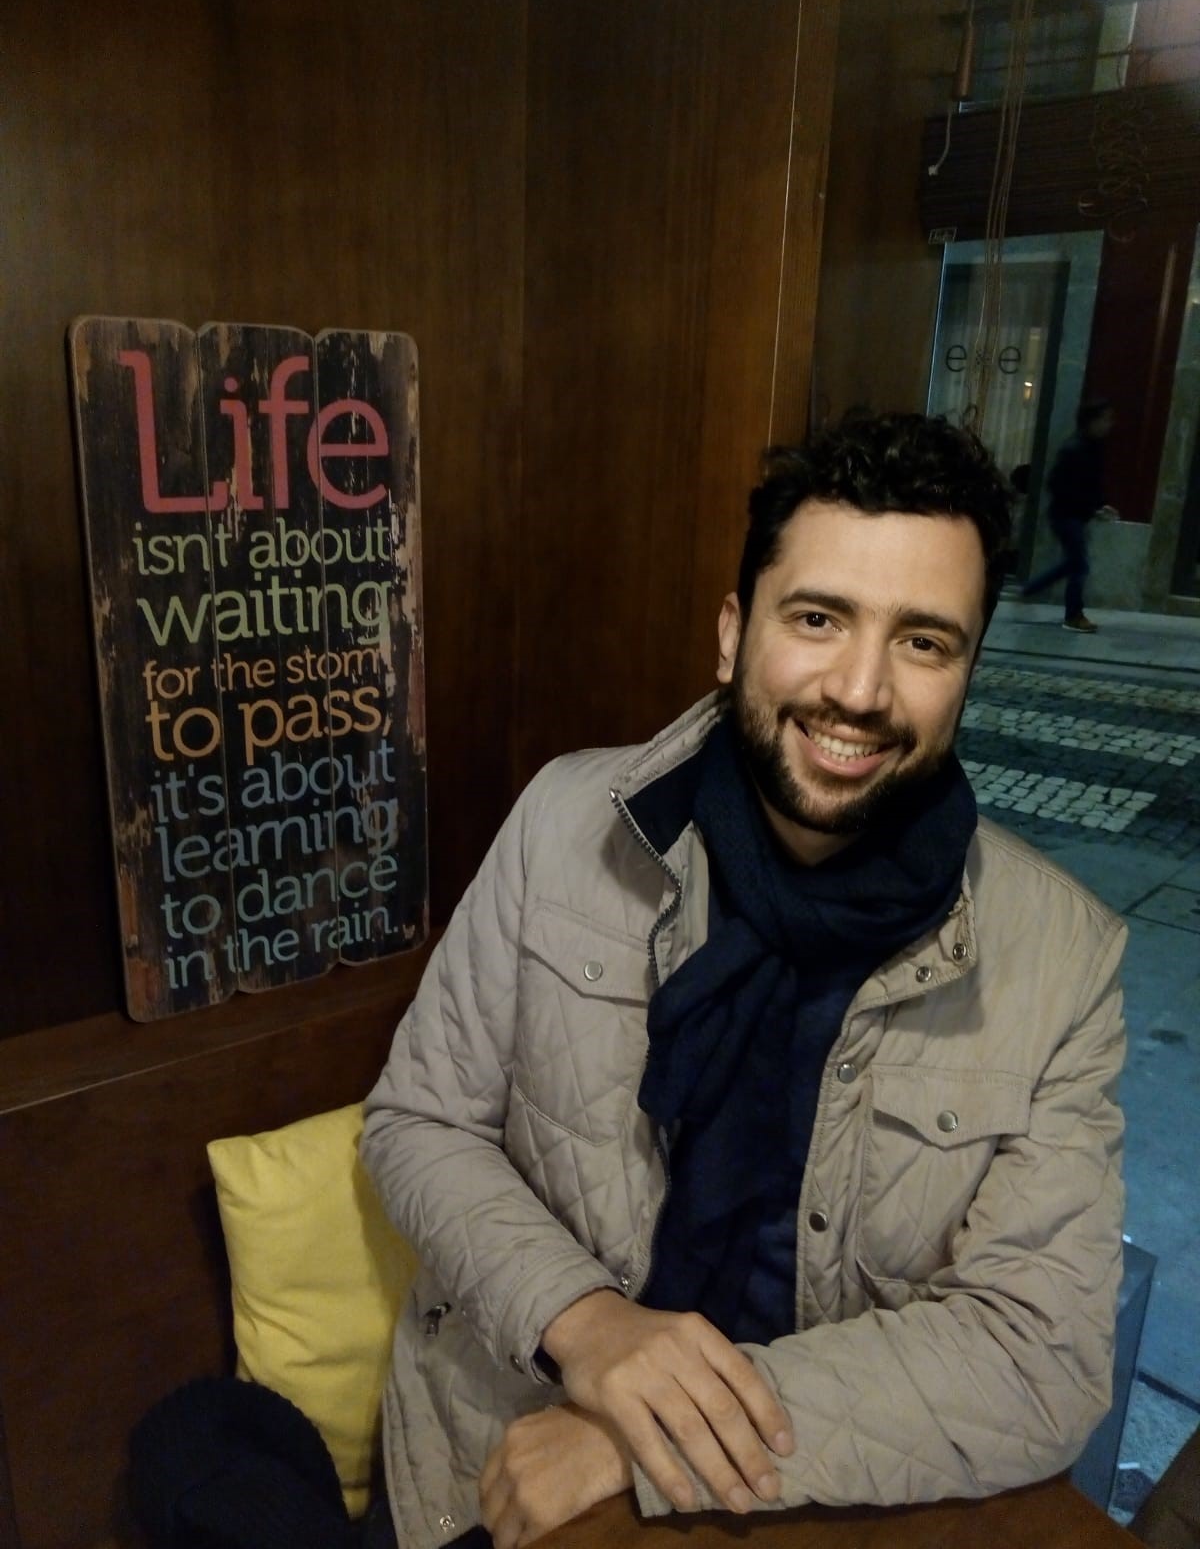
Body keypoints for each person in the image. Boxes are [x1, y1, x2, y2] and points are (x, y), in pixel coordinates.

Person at [361, 411, 1127, 1549]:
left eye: (924, 642)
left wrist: (651, 1435)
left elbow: (1037, 1354)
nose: (860, 689)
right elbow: (418, 1121)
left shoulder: (1061, 955)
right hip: (500, 1454)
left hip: (804, 1500)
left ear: (968, 670)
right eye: (818, 618)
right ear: (733, 633)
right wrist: (590, 1323)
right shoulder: (566, 825)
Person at [1022, 397, 1118, 633]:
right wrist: (1093, 508)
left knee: (1073, 563)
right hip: (1066, 516)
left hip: (1076, 515)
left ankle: (1031, 589)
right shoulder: (1074, 449)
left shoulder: (1092, 448)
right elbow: (1058, 485)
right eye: (1105, 419)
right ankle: (1073, 615)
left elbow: (1092, 484)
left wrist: (1101, 505)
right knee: (1079, 566)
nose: (1109, 424)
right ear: (1091, 421)